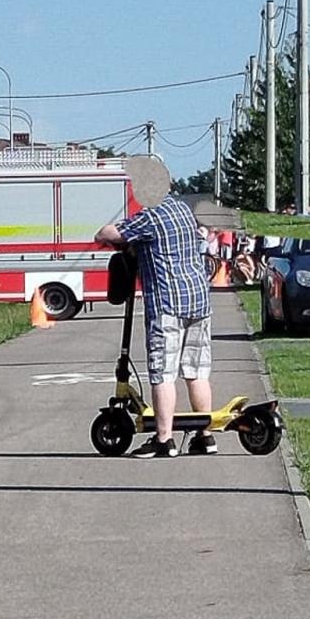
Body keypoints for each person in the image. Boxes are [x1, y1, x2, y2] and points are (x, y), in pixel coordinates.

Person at [94, 156, 214, 458]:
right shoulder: (183, 210)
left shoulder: (151, 216)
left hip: (168, 303)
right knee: (196, 371)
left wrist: (110, 238)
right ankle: (205, 436)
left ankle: (164, 439)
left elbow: (108, 234)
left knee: (163, 374)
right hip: (198, 300)